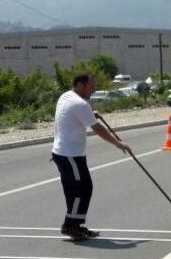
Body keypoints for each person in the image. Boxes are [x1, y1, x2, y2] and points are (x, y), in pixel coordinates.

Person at [52, 73, 131, 241]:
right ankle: (70, 225)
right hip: (70, 154)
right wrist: (118, 143)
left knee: (76, 189)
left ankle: (75, 224)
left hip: (64, 153)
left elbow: (74, 115)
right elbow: (97, 129)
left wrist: (90, 114)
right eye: (91, 86)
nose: (94, 90)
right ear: (80, 85)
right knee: (82, 188)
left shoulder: (66, 96)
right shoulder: (80, 104)